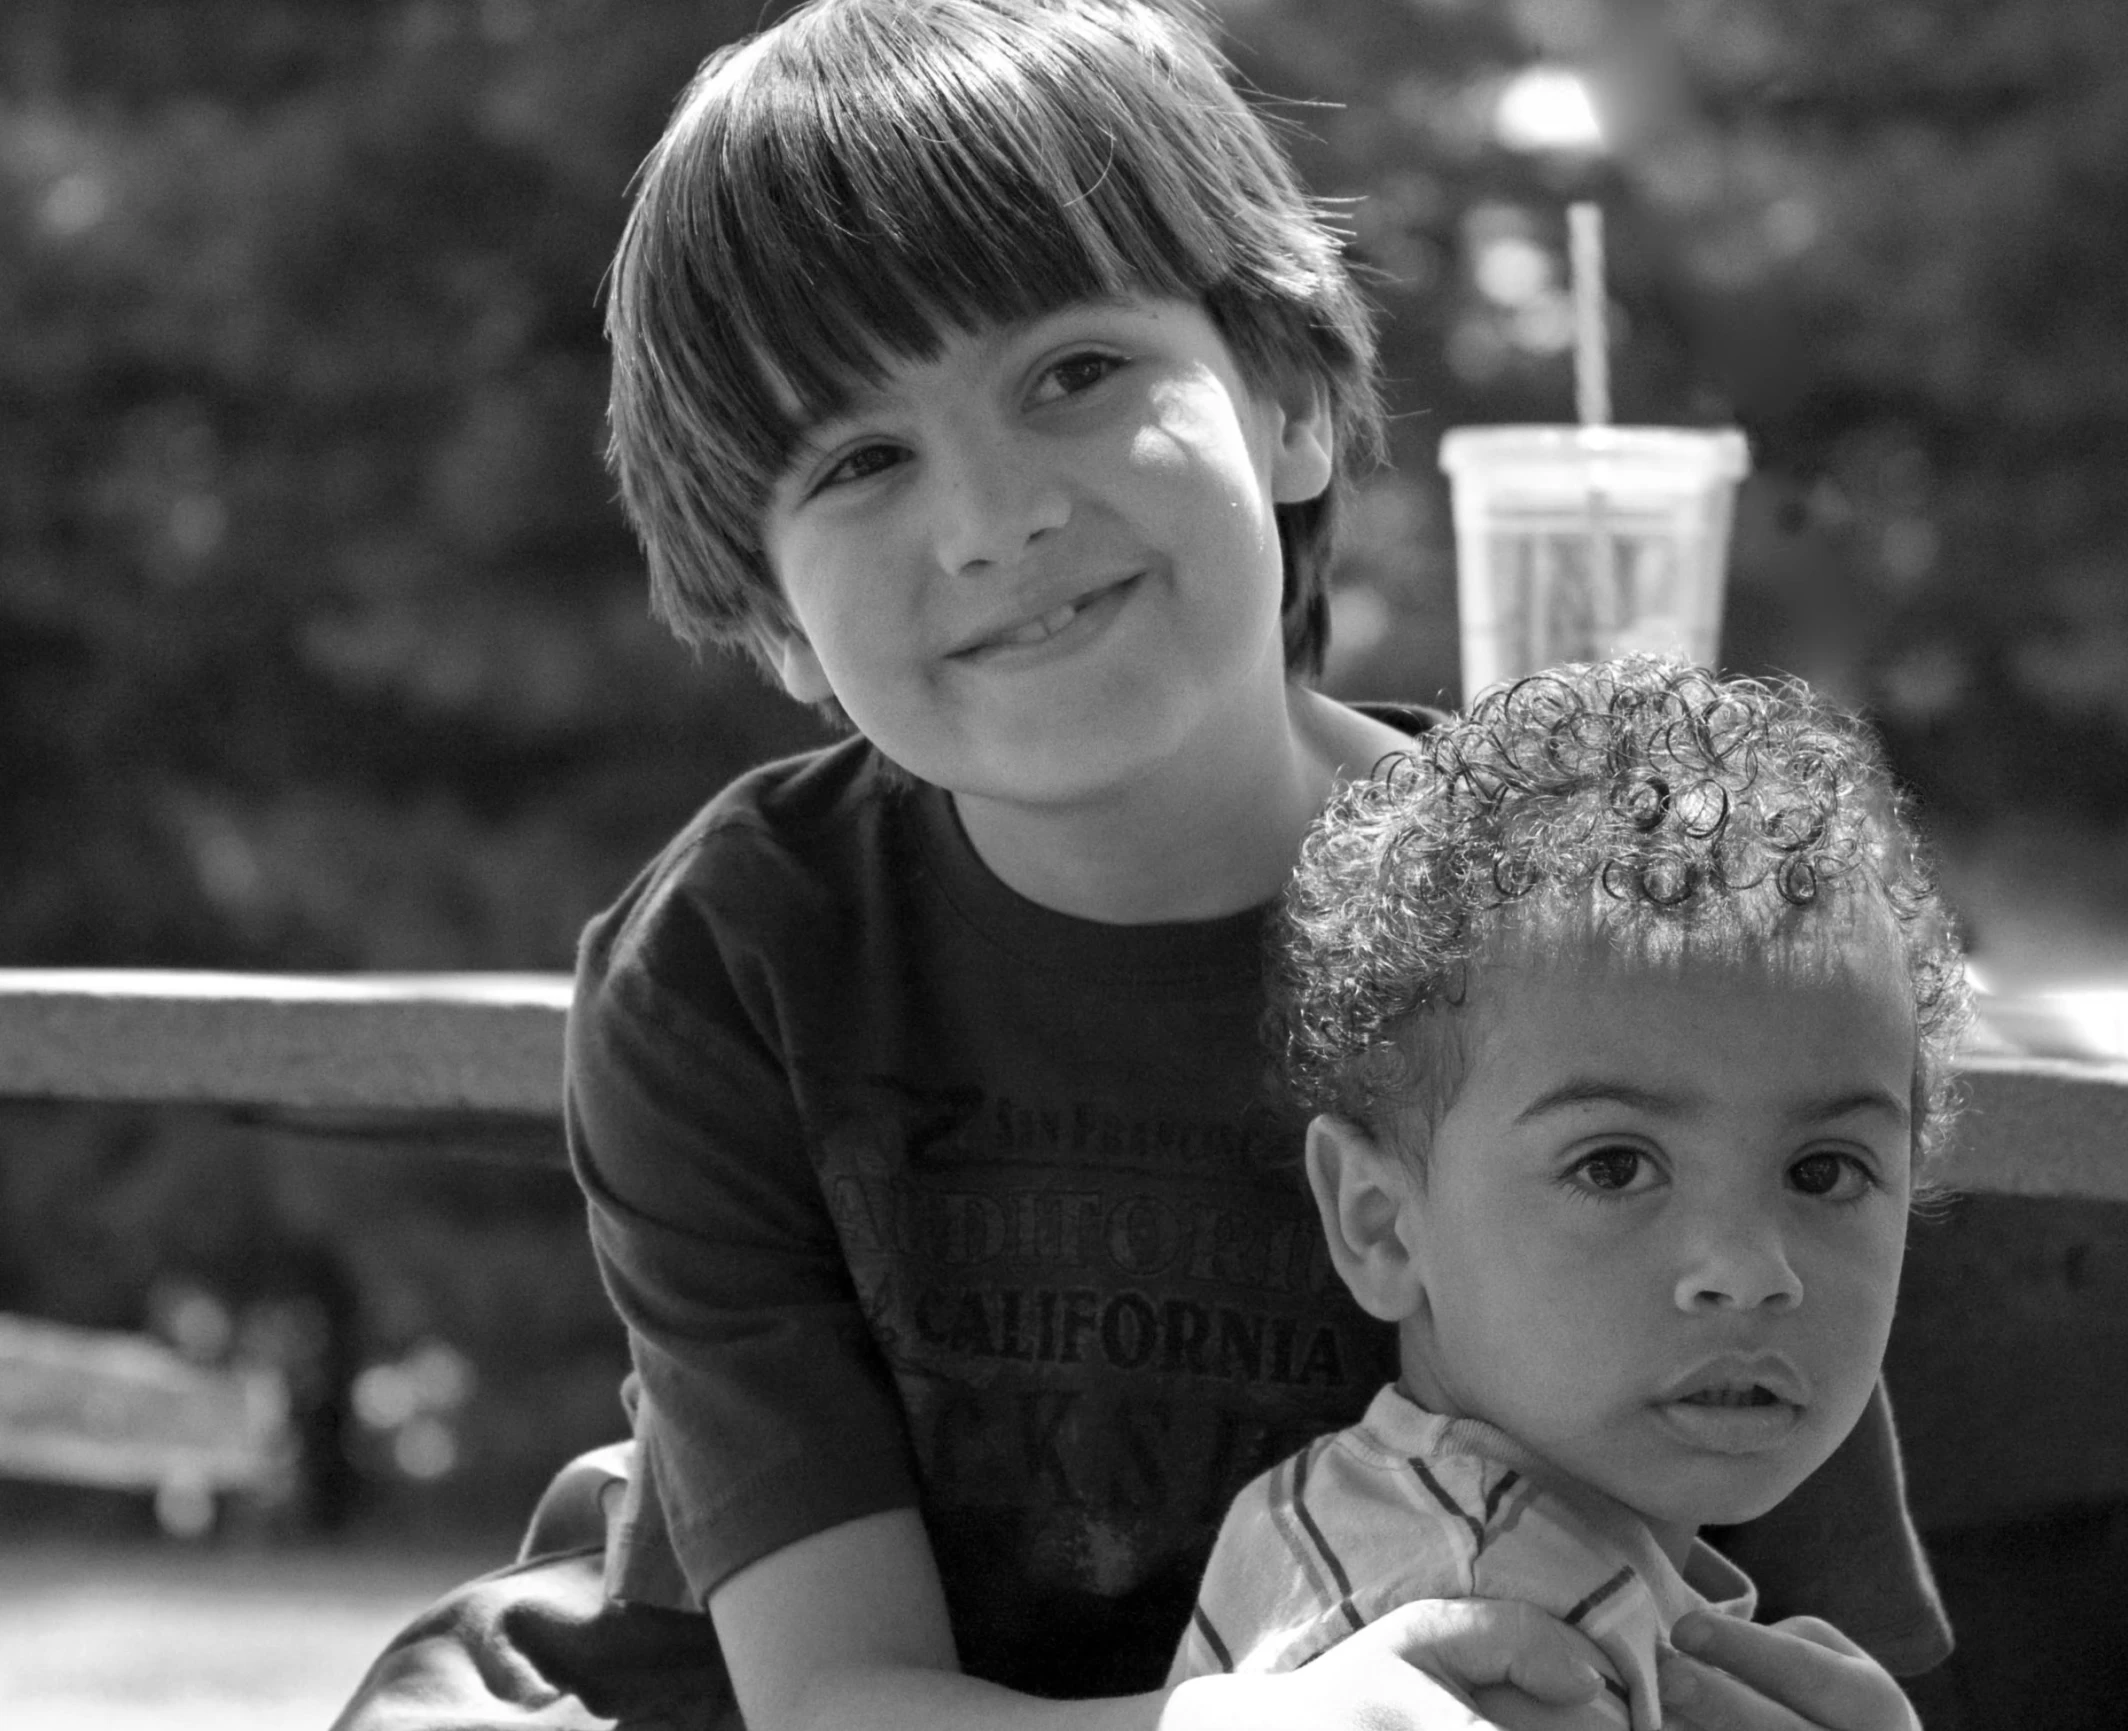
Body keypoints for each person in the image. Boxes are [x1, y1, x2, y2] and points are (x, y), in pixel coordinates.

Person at [334, 4, 1949, 1728]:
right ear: (770, 621)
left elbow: (1781, 1604)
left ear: (1291, 406)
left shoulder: (1593, 924)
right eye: (862, 461)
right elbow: (832, 1699)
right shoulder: (737, 958)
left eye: (1075, 374)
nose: (990, 519)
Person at [1168, 657, 1972, 1730]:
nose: (1747, 1271)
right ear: (1378, 1222)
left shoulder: (1374, 1511)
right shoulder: (1500, 1635)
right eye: (1612, 1167)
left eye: (1822, 1172)